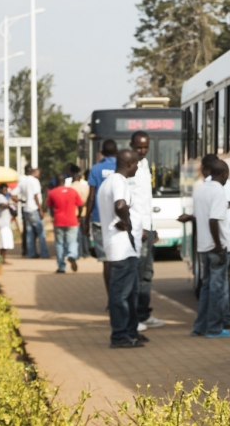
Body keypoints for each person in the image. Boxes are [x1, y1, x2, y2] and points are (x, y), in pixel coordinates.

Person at [179, 158, 230, 339]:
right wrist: (219, 245)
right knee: (217, 290)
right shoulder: (219, 191)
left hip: (203, 246)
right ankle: (214, 329)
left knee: (206, 287)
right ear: (223, 174)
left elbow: (200, 216)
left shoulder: (200, 189)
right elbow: (213, 220)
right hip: (217, 247)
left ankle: (200, 326)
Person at [98, 149, 144, 348]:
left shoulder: (106, 183)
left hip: (120, 247)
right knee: (121, 295)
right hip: (121, 248)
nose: (136, 168)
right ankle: (120, 336)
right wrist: (126, 221)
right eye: (135, 164)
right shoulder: (119, 181)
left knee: (131, 293)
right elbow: (120, 204)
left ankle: (130, 332)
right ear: (129, 164)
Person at [130, 132, 166, 331]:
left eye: (145, 147)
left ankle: (144, 314)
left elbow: (146, 201)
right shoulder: (129, 167)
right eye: (139, 147)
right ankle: (133, 318)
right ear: (131, 145)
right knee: (135, 274)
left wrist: (153, 227)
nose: (142, 151)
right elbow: (126, 202)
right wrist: (139, 227)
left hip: (148, 228)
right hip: (138, 230)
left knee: (147, 273)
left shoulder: (145, 166)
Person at [83, 139, 119, 293]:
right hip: (119, 220)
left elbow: (91, 197)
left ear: (102, 153)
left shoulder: (96, 169)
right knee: (119, 259)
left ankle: (111, 298)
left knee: (106, 261)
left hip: (99, 220)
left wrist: (86, 220)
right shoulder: (122, 166)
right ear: (116, 152)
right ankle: (120, 297)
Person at [47, 169, 83, 274]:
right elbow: (80, 205)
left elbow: (49, 207)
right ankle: (72, 255)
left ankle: (61, 267)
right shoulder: (72, 191)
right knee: (72, 241)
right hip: (72, 220)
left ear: (55, 182)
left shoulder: (52, 193)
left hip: (58, 221)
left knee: (59, 243)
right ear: (65, 181)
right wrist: (79, 216)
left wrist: (53, 216)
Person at [20, 168, 48, 259]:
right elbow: (36, 195)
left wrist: (22, 201)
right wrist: (41, 210)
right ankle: (44, 253)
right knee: (41, 232)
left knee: (30, 233)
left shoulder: (23, 181)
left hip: (26, 209)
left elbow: (13, 194)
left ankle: (31, 254)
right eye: (39, 173)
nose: (40, 175)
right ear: (35, 172)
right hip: (34, 209)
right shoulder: (35, 181)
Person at [72, 168, 92, 258]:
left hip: (74, 213)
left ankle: (79, 252)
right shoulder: (86, 187)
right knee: (85, 233)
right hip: (85, 212)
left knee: (77, 234)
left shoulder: (70, 188)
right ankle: (86, 252)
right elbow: (90, 199)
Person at [0, 183, 16, 260]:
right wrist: (10, 205)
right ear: (0, 189)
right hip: (2, 222)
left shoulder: (4, 197)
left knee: (6, 241)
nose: (5, 191)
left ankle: (3, 258)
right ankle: (2, 259)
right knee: (3, 241)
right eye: (4, 189)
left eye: (6, 190)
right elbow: (2, 205)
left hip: (6, 222)